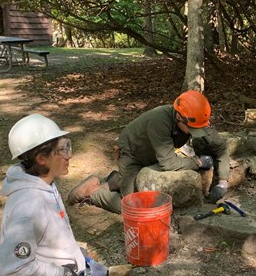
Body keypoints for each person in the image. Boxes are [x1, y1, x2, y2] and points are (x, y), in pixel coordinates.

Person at [0, 114, 131, 276]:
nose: (69, 155)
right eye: (63, 150)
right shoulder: (28, 207)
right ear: (42, 159)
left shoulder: (42, 180)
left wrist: (72, 258)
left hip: (56, 270)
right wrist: (63, 274)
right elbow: (13, 269)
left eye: (68, 146)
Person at [67, 90, 230, 213]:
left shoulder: (197, 119)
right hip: (133, 154)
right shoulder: (159, 120)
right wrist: (198, 162)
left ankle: (115, 180)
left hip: (154, 153)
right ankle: (93, 193)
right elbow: (168, 162)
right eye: (192, 129)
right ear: (179, 117)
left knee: (145, 193)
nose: (196, 133)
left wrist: (223, 183)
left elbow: (221, 148)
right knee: (131, 206)